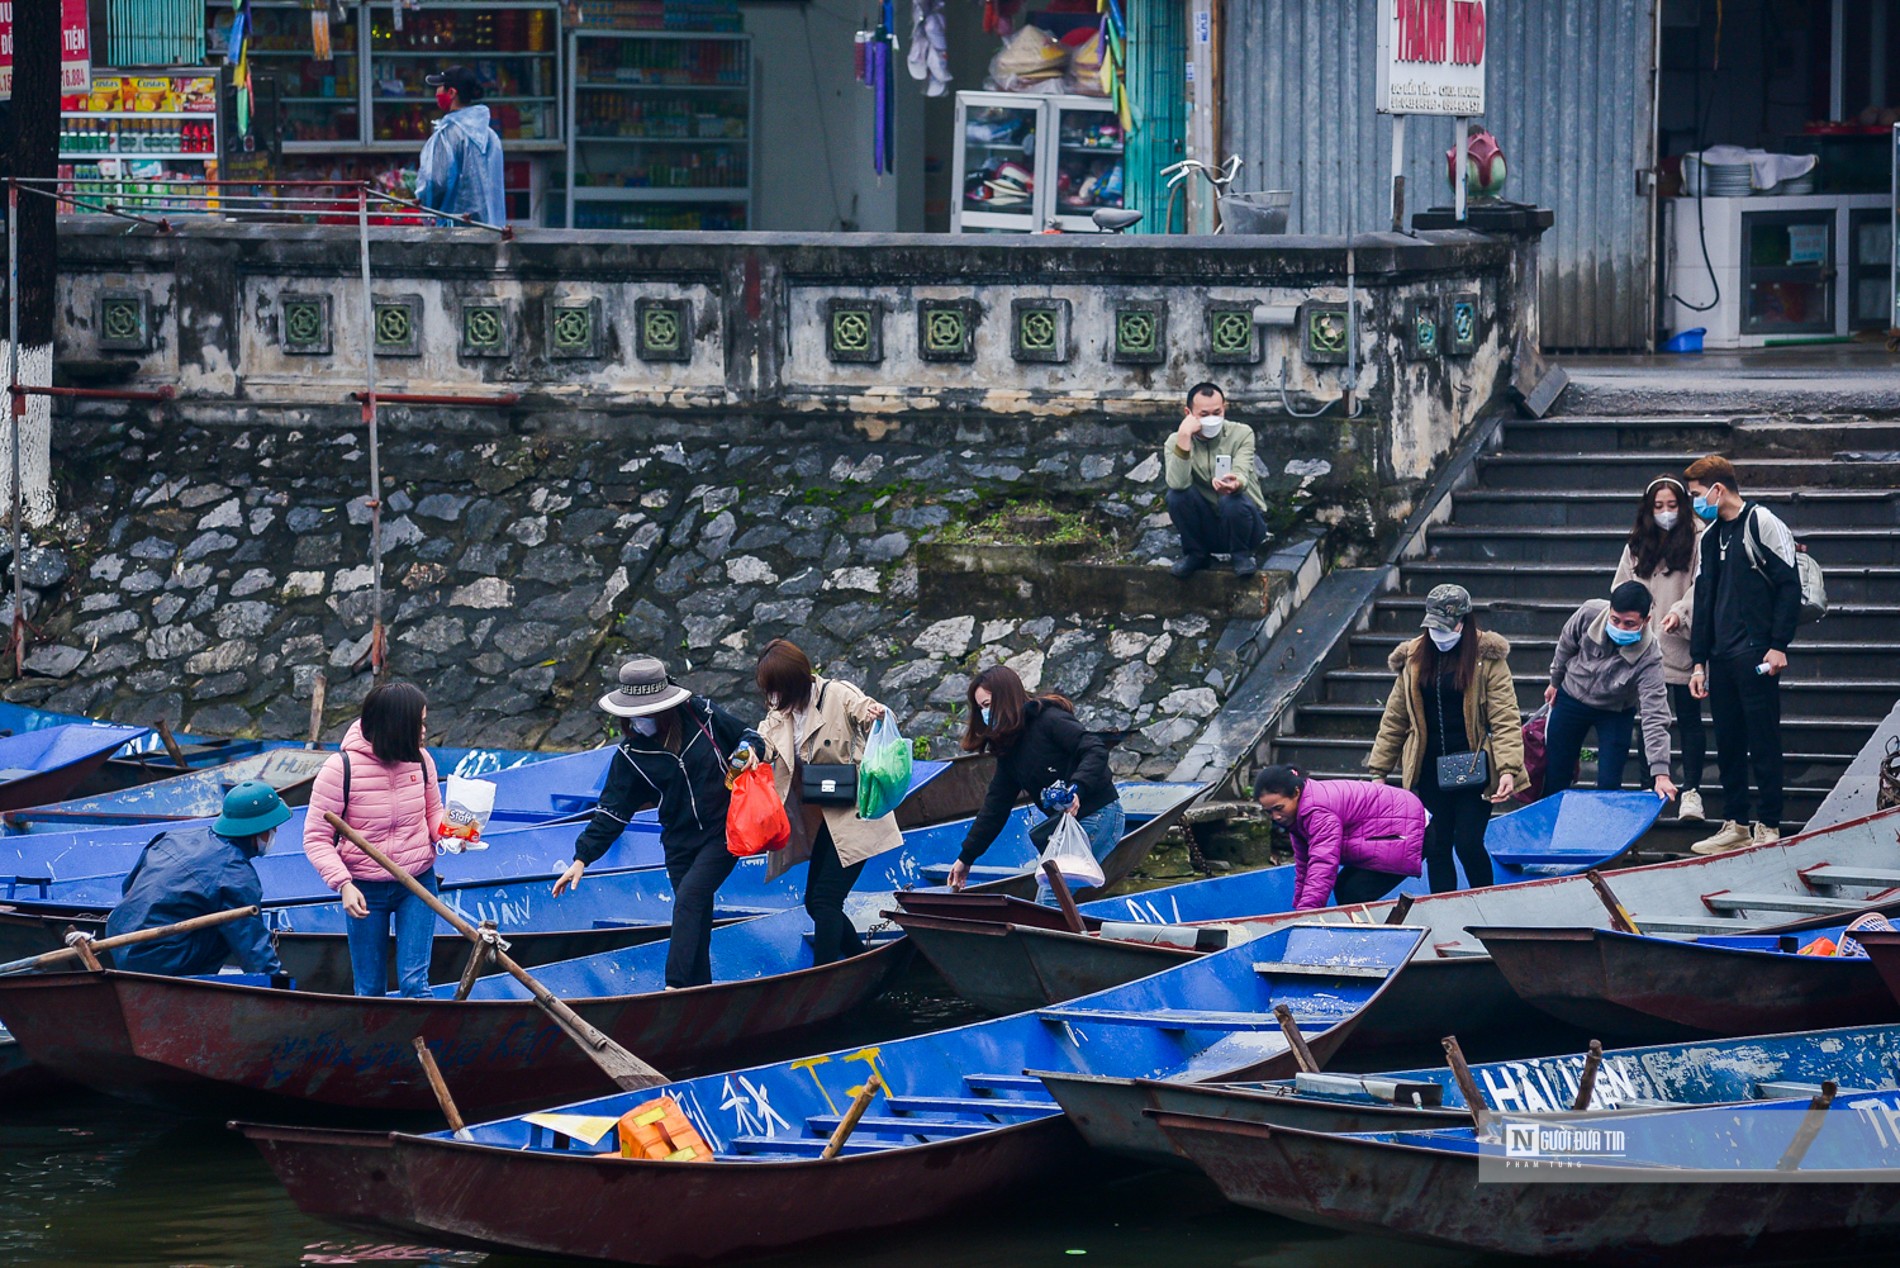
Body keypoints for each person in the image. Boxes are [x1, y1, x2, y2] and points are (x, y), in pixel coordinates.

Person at [555, 658, 764, 989]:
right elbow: (611, 811)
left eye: (648, 711)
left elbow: (749, 734)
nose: (641, 719)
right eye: (635, 713)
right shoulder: (630, 755)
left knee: (689, 901)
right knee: (696, 918)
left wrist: (747, 749)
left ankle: (675, 988)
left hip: (724, 830)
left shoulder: (701, 714)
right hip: (678, 844)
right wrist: (581, 859)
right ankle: (700, 993)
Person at [1366, 584, 1525, 893]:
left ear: (1463, 622)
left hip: (1473, 766)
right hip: (1427, 769)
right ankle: (1445, 909)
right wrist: (1379, 772)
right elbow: (1395, 719)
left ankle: (1486, 901)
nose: (1439, 633)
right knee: (1437, 847)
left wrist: (1508, 768)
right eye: (1433, 626)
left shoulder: (1487, 658)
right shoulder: (1413, 657)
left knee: (1467, 843)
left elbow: (1505, 717)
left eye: (1446, 626)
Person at [754, 638, 904, 965]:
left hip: (857, 811)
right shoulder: (780, 711)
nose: (773, 697)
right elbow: (765, 740)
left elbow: (864, 709)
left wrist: (876, 714)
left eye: (777, 688)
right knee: (816, 901)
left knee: (825, 900)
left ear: (794, 681)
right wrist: (748, 752)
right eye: (770, 691)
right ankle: (861, 962)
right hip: (824, 814)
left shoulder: (835, 694)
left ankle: (823, 974)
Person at [1683, 454, 1801, 854]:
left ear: (1718, 489)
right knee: (1729, 741)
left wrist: (1779, 644)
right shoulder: (1710, 535)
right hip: (1720, 655)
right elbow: (1702, 600)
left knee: (1763, 739)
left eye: (1697, 494)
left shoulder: (1760, 522)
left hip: (1756, 652)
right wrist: (1698, 661)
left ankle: (1769, 823)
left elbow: (1789, 584)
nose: (1695, 502)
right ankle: (1735, 822)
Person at [303, 682, 445, 998]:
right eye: (418, 723)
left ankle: (424, 1046)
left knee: (414, 985)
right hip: (364, 888)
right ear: (398, 725)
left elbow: (434, 811)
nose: (424, 731)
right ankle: (375, 1046)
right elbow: (316, 837)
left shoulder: (421, 760)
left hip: (417, 883)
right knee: (369, 989)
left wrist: (449, 834)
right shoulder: (341, 768)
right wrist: (343, 884)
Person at [945, 665, 1122, 899]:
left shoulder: (1049, 720)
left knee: (1051, 896)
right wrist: (965, 858)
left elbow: (1094, 749)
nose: (985, 714)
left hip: (1099, 815)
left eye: (987, 705)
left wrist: (1077, 788)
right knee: (1054, 892)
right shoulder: (1009, 746)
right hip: (1066, 826)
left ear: (1005, 698)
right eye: (980, 709)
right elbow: (995, 808)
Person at [103, 781, 291, 980]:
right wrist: (276, 981)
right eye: (272, 828)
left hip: (119, 938)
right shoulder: (236, 873)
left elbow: (129, 887)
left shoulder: (173, 838)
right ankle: (193, 982)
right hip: (155, 960)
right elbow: (250, 941)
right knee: (229, 929)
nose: (274, 834)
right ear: (257, 829)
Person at [1613, 475, 1706, 820]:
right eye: (1658, 506)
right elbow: (1621, 586)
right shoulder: (1638, 542)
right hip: (1643, 645)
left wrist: (1680, 613)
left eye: (1671, 505)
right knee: (1649, 720)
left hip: (1682, 641)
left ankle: (1692, 790)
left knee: (1689, 718)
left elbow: (1702, 585)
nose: (1665, 513)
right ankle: (1648, 790)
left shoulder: (1698, 537)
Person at [1542, 581, 1681, 807]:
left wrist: (1661, 773)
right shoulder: (1589, 613)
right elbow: (1566, 645)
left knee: (1609, 782)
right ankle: (1547, 833)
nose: (1620, 628)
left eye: (1629, 624)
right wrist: (1555, 681)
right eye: (1615, 620)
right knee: (1556, 773)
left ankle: (1602, 837)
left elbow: (1655, 714)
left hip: (1615, 711)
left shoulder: (1650, 656)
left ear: (1646, 621)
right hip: (1572, 696)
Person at [1253, 765, 1426, 910]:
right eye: (1269, 812)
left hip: (1407, 830)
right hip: (1385, 830)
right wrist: (1298, 910)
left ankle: (1364, 943)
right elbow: (1304, 867)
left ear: (1296, 793)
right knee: (1343, 888)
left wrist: (1307, 913)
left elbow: (1323, 862)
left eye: (1279, 808)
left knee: (1355, 892)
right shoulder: (1296, 817)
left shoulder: (1316, 811)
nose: (1275, 816)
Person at [1164, 381, 1271, 579]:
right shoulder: (1176, 441)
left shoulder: (1241, 433)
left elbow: (1242, 469)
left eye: (1217, 412)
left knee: (1231, 500)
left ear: (1224, 409)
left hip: (1245, 526)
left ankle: (1241, 555)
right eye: (1204, 415)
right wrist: (1185, 437)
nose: (1212, 419)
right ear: (1189, 413)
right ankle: (1196, 554)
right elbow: (1178, 484)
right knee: (1176, 496)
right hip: (1208, 528)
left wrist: (1236, 483)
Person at [417, 65, 507, 226]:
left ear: (451, 92)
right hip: (490, 228)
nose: (437, 93)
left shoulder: (448, 134)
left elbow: (436, 182)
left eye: (439, 87)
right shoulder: (490, 135)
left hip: (455, 231)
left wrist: (423, 203)